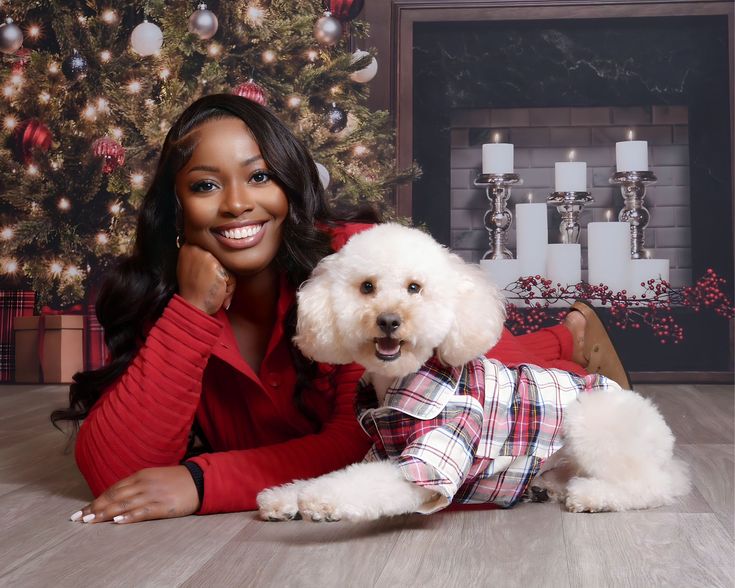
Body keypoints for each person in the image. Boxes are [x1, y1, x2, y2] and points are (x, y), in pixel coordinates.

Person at [52, 93, 627, 525]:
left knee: (462, 366)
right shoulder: (162, 294)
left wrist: (202, 484)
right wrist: (190, 311)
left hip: (467, 381)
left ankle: (562, 346)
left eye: (258, 177)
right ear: (175, 208)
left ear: (289, 187)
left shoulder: (355, 263)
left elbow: (369, 437)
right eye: (205, 186)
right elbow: (114, 474)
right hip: (197, 303)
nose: (235, 204)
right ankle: (562, 335)